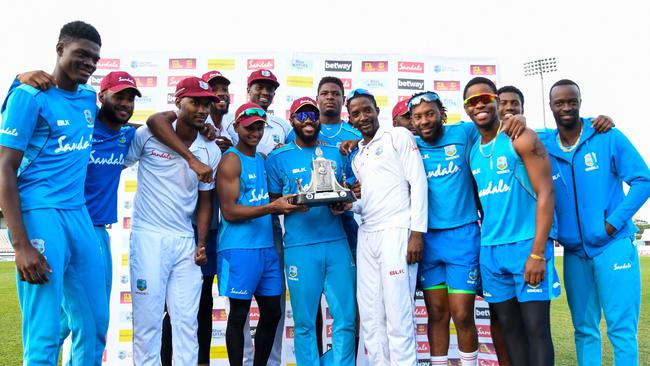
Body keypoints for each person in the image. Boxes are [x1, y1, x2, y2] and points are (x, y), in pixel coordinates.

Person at [0, 21, 108, 365]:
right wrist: (20, 245)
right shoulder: (28, 96)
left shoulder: (90, 99)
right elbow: (4, 167)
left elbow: (123, 120)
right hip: (40, 214)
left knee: (95, 324)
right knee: (45, 330)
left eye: (94, 58)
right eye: (81, 54)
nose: (89, 64)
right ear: (60, 49)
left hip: (79, 216)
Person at [541, 79, 650, 365]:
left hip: (613, 246)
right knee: (584, 330)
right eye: (559, 102)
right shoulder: (544, 145)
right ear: (550, 106)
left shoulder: (607, 136)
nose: (566, 107)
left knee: (621, 330)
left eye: (571, 101)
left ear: (580, 102)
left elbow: (642, 180)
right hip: (575, 254)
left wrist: (612, 223)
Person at [465, 77, 560, 366]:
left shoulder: (521, 137)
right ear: (466, 108)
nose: (479, 105)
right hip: (491, 252)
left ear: (496, 100)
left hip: (526, 247)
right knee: (511, 331)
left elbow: (546, 193)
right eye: (472, 101)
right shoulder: (472, 152)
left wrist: (537, 252)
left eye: (485, 98)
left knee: (536, 330)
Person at [125, 76, 220, 366]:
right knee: (148, 321)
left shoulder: (211, 150)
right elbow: (150, 126)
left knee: (186, 323)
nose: (202, 109)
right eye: (195, 102)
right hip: (148, 236)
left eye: (206, 104)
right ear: (178, 102)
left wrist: (201, 242)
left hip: (184, 241)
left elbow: (205, 201)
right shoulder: (148, 135)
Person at [265, 97, 357, 365]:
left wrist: (344, 203)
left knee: (346, 320)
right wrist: (289, 205)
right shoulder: (277, 157)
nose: (308, 120)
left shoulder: (335, 152)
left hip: (336, 243)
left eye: (312, 115)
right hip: (300, 248)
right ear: (291, 120)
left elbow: (351, 191)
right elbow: (273, 204)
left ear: (319, 120)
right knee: (304, 323)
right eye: (301, 115)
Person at [216, 102, 305, 366]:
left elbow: (275, 196)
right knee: (240, 314)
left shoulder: (263, 160)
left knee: (272, 312)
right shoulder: (231, 160)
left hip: (265, 247)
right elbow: (230, 211)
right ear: (237, 128)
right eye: (249, 127)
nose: (254, 132)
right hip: (238, 247)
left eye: (259, 127)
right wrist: (272, 207)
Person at [344, 88, 427, 364]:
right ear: (350, 120)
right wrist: (347, 204)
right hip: (368, 235)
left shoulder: (397, 136)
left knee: (398, 315)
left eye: (367, 109)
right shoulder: (358, 156)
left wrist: (417, 233)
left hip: (397, 231)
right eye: (356, 113)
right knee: (370, 315)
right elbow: (366, 200)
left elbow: (418, 182)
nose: (363, 116)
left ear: (377, 110)